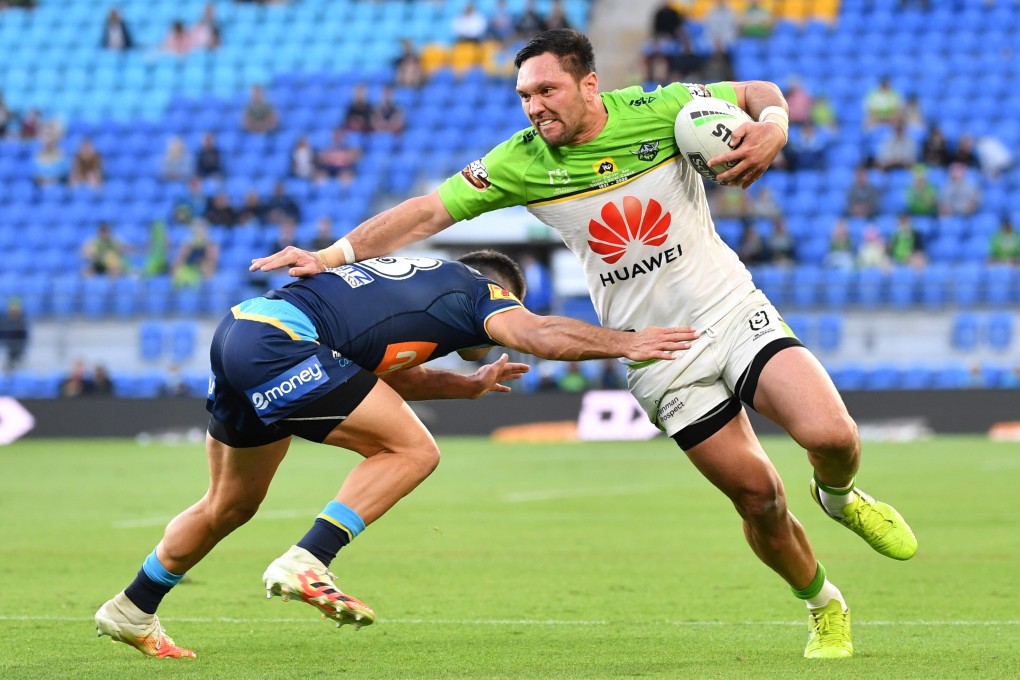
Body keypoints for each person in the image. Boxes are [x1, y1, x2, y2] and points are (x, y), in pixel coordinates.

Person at [252, 29, 919, 660]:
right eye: (524, 96)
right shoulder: (519, 161)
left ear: (589, 84)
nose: (534, 106)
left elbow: (757, 91)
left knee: (831, 435)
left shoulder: (661, 109)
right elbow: (427, 211)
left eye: (546, 91)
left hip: (729, 307)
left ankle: (839, 497)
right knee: (758, 499)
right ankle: (823, 604)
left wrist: (774, 129)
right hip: (653, 351)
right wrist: (332, 254)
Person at [95, 249, 695, 658]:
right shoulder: (478, 291)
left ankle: (132, 608)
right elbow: (535, 333)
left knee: (228, 504)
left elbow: (365, 377)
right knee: (413, 451)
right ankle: (309, 559)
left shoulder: (416, 280)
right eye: (507, 307)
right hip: (281, 344)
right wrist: (627, 342)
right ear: (501, 292)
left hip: (241, 334)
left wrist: (468, 384)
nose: (503, 318)